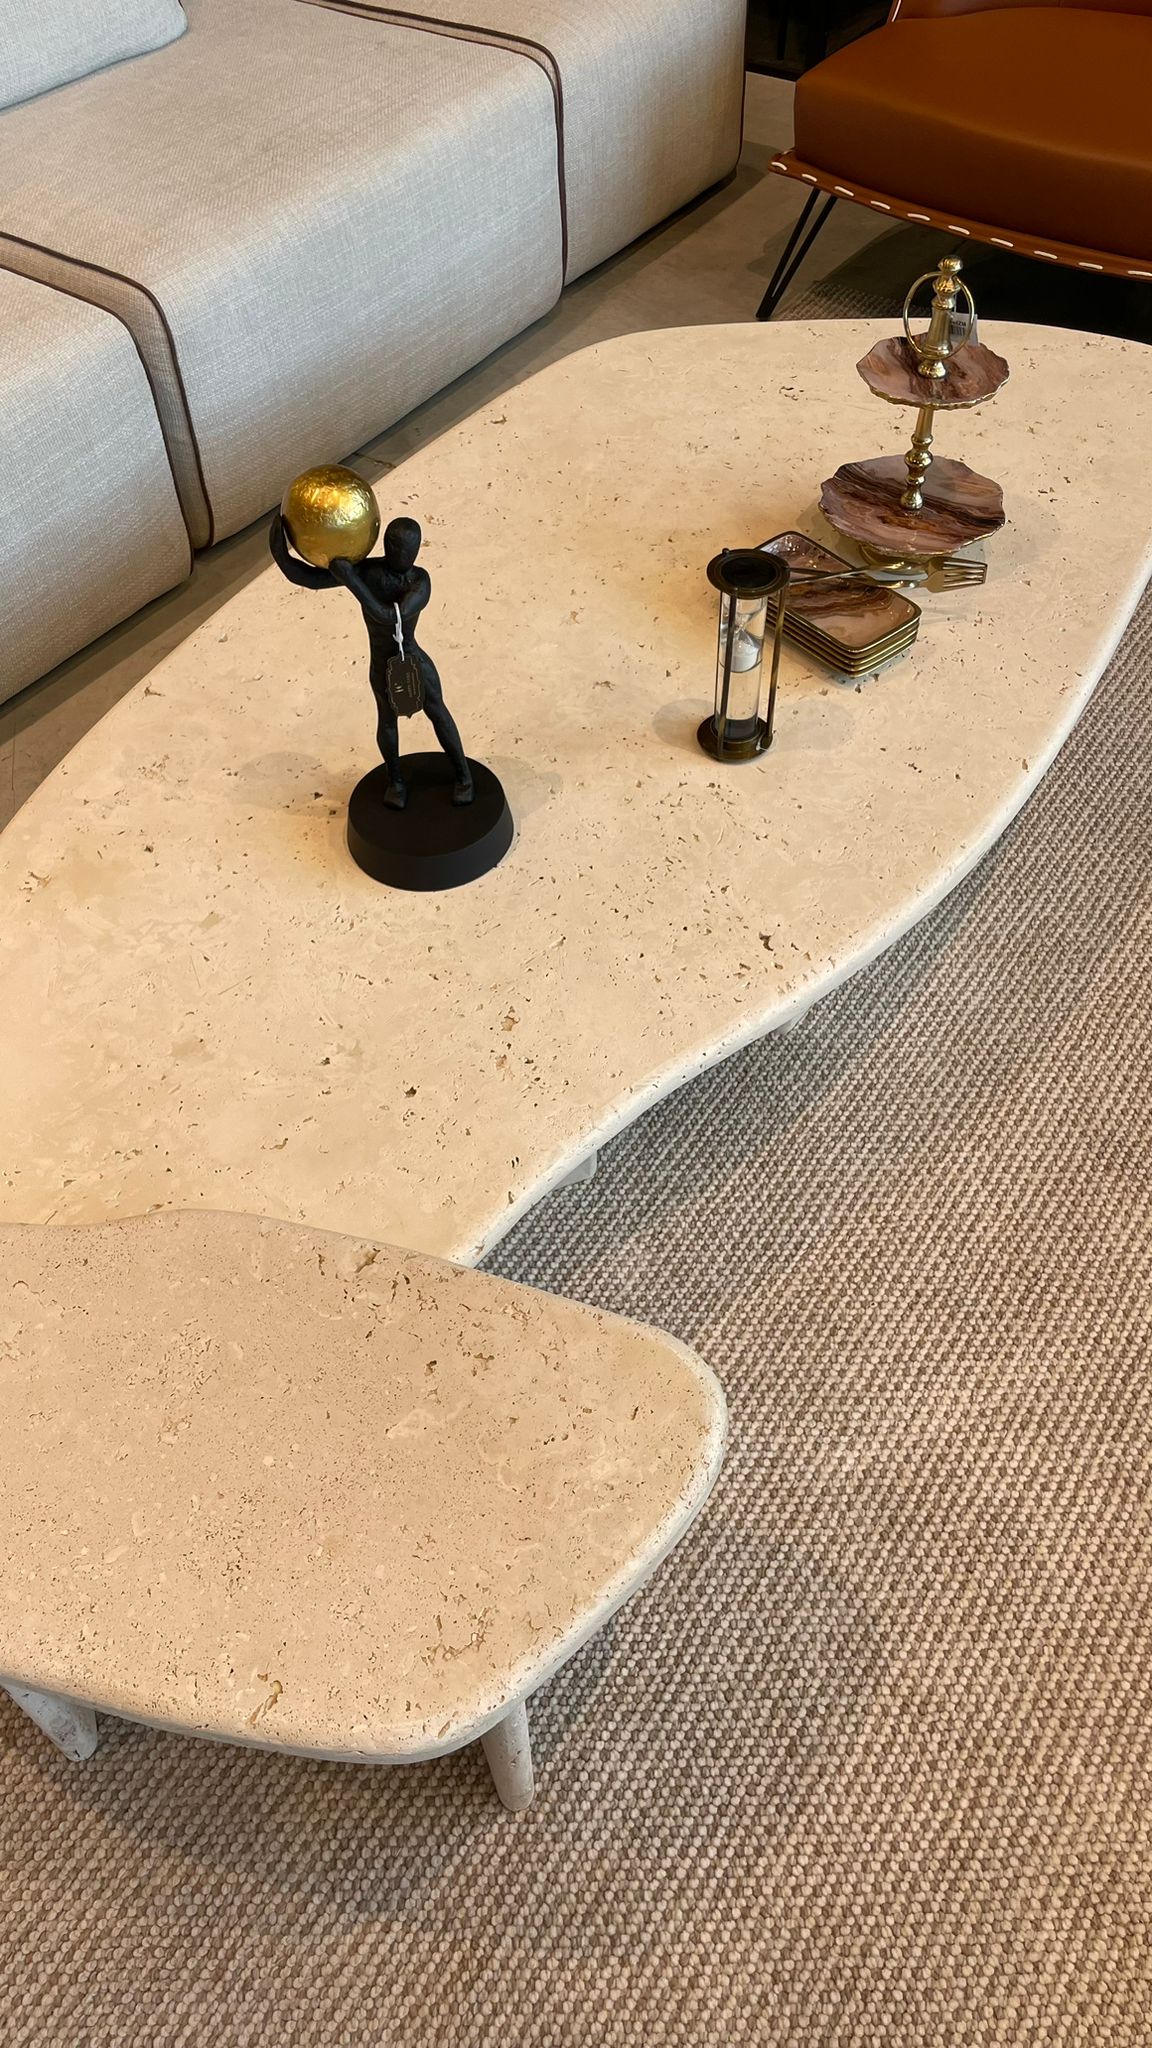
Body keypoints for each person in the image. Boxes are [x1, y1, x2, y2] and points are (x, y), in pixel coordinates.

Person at [268, 512, 473, 809]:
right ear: (386, 545)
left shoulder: (419, 582)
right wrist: (280, 553)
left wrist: (351, 579)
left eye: (406, 549)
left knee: (438, 712)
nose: (400, 553)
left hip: (412, 660)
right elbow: (310, 579)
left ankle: (464, 776)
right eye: (394, 546)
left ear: (416, 551)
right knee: (387, 722)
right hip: (381, 666)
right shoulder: (371, 571)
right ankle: (395, 781)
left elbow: (389, 616)